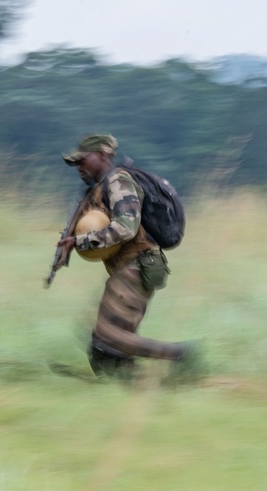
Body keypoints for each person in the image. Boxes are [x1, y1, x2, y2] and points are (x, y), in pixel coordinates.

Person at [54, 133, 203, 384]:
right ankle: (140, 384)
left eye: (83, 160)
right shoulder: (100, 188)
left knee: (107, 337)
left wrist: (81, 242)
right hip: (130, 267)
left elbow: (126, 227)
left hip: (137, 267)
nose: (79, 167)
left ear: (102, 155)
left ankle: (180, 355)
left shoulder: (118, 181)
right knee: (106, 357)